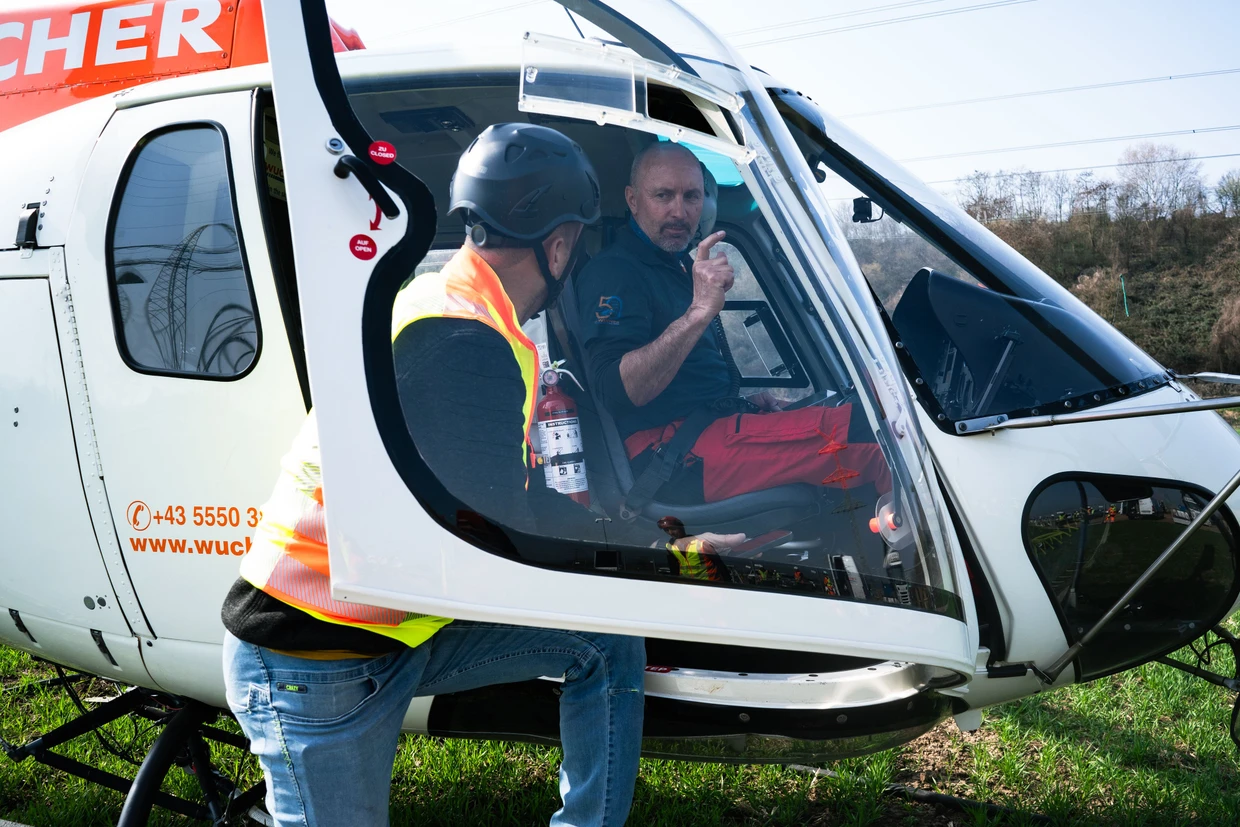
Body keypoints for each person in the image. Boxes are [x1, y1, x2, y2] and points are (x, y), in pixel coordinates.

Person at [222, 124, 673, 827]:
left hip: (388, 629)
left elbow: (504, 502)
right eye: (576, 244)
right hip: (312, 653)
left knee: (604, 642)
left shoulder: (462, 309)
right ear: (558, 245)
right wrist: (639, 550)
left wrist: (638, 543)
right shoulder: (461, 337)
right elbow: (491, 532)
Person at [577, 141, 890, 506]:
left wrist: (737, 401)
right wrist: (698, 312)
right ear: (633, 200)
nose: (680, 211)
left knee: (875, 410)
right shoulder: (615, 272)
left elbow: (687, 380)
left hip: (704, 432)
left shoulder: (674, 265)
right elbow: (618, 392)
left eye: (691, 196)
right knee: (876, 438)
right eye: (663, 195)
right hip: (670, 456)